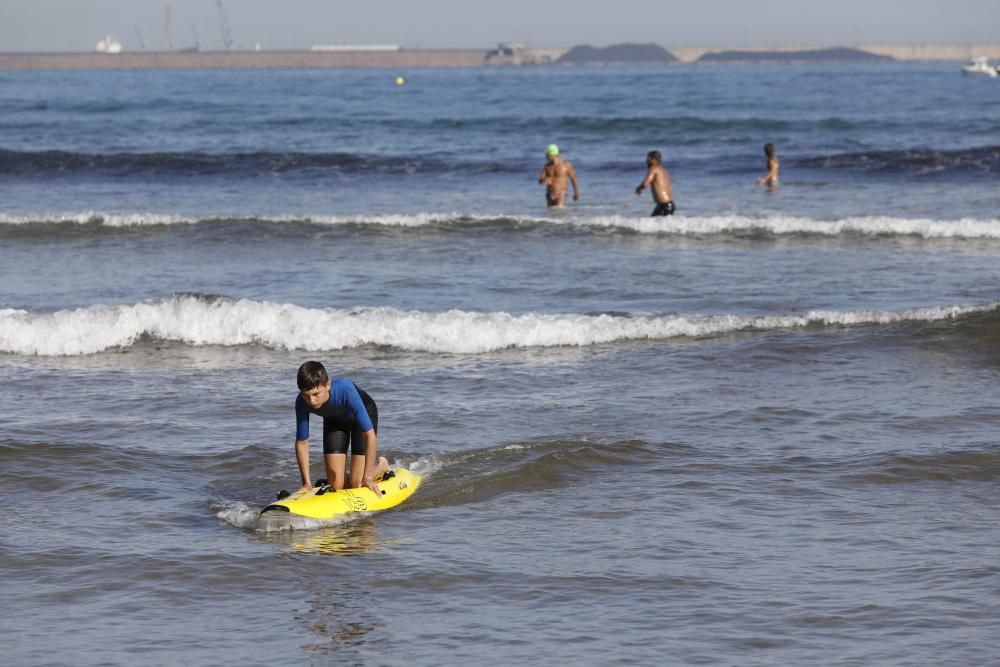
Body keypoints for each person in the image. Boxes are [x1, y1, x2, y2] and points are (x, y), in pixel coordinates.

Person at [294, 361, 389, 496]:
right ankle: (348, 475)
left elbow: (370, 436)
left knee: (358, 483)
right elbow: (302, 443)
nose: (312, 401)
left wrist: (368, 478)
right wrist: (306, 483)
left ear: (327, 385)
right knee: (336, 486)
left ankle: (381, 466)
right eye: (306, 395)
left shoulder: (345, 389)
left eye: (316, 394)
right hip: (335, 421)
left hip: (361, 418)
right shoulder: (301, 402)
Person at [538, 144, 580, 208]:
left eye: (547, 155)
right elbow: (540, 180)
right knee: (550, 214)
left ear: (552, 154)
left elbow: (573, 179)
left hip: (561, 193)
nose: (546, 156)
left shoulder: (566, 165)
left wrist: (576, 192)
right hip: (549, 194)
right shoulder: (547, 166)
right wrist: (544, 180)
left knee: (559, 211)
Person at [635, 150, 674, 216]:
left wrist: (639, 188)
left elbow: (645, 183)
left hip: (664, 205)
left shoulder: (653, 169)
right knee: (658, 224)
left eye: (648, 159)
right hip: (670, 204)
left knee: (653, 224)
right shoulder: (663, 170)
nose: (646, 161)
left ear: (654, 159)